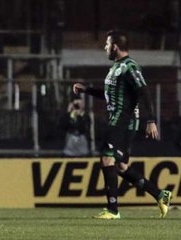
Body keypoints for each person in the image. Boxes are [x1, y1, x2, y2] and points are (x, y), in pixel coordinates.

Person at [73, 29, 172, 219]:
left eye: (107, 44)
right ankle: (160, 195)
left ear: (115, 46)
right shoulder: (116, 67)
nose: (105, 47)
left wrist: (151, 121)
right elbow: (110, 95)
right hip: (118, 119)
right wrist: (86, 90)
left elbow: (144, 92)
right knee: (121, 167)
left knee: (106, 159)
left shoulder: (130, 67)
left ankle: (112, 210)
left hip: (123, 121)